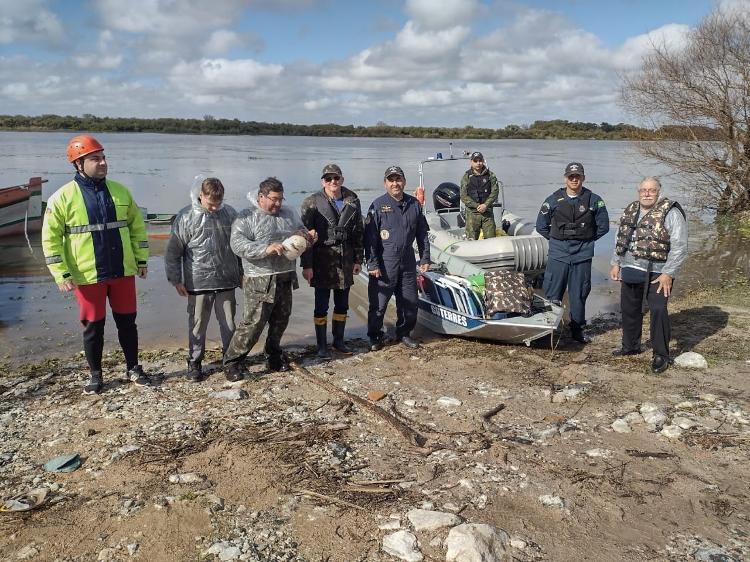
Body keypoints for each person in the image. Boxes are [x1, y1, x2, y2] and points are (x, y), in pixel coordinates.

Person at [42, 135, 150, 394]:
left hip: (123, 271)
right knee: (93, 328)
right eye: (95, 159)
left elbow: (137, 228)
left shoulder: (120, 191)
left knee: (128, 323)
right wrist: (60, 274)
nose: (102, 163)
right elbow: (50, 239)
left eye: (103, 157)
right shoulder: (62, 198)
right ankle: (95, 374)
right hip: (87, 275)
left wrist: (141, 259)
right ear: (78, 164)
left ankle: (133, 368)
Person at [222, 177, 313, 380]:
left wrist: (307, 236)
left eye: (280, 199)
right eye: (273, 199)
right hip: (259, 279)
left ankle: (273, 354)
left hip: (285, 275)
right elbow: (237, 245)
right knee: (253, 323)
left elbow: (301, 232)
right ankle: (233, 362)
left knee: (281, 320)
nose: (278, 204)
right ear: (261, 197)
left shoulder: (288, 214)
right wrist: (265, 249)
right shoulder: (246, 217)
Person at [165, 177, 242, 382]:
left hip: (226, 279)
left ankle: (231, 361)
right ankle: (195, 362)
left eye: (219, 202)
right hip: (197, 281)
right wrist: (176, 279)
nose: (215, 207)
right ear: (201, 196)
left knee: (229, 323)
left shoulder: (230, 213)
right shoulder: (186, 217)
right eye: (211, 203)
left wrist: (242, 274)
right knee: (197, 324)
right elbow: (173, 252)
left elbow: (239, 247)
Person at [609, 177, 688, 374]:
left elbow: (680, 247)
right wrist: (615, 263)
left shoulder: (672, 212)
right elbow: (620, 238)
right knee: (629, 309)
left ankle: (661, 354)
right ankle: (630, 346)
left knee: (658, 309)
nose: (646, 193)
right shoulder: (631, 209)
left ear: (659, 192)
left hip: (658, 272)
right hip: (630, 268)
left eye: (651, 190)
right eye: (643, 190)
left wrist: (669, 273)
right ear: (638, 192)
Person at [536, 162, 609, 343]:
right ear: (565, 178)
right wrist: (557, 240)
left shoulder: (594, 200)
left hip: (582, 254)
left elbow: (604, 227)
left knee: (579, 292)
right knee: (553, 291)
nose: (574, 179)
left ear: (583, 178)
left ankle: (577, 329)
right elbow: (541, 226)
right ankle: (549, 328)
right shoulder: (553, 200)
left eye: (578, 176)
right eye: (571, 176)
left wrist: (586, 240)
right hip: (558, 253)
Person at [300, 164, 364, 358]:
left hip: (345, 260)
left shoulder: (352, 199)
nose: (332, 182)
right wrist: (307, 265)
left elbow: (358, 231)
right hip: (321, 262)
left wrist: (358, 259)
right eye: (328, 179)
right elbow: (304, 237)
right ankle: (321, 345)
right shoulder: (311, 202)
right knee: (321, 305)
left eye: (336, 178)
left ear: (342, 180)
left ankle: (338, 341)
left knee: (342, 304)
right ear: (323, 182)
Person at [365, 165, 430, 351]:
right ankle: (374, 336)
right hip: (385, 262)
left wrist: (425, 258)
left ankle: (404, 333)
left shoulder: (414, 204)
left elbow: (422, 234)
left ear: (404, 182)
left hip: (408, 262)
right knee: (378, 305)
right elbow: (369, 239)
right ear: (385, 183)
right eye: (391, 180)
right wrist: (372, 263)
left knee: (410, 302)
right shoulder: (377, 206)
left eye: (398, 179)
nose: (395, 183)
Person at [459, 151, 500, 240]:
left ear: (483, 161)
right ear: (471, 162)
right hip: (472, 214)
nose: (478, 163)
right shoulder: (466, 177)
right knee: (471, 241)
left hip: (487, 213)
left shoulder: (491, 175)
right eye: (475, 161)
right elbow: (463, 196)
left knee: (491, 240)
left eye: (480, 160)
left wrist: (485, 205)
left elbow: (495, 192)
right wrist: (477, 206)